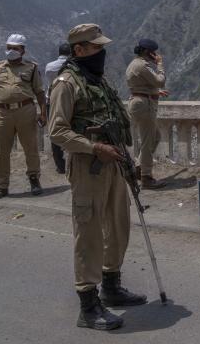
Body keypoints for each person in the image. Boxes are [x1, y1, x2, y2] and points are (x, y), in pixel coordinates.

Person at [48, 24, 146, 330]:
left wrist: (122, 155)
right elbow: (57, 131)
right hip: (88, 167)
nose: (101, 53)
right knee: (89, 233)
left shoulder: (97, 81)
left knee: (118, 225)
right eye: (95, 48)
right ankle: (88, 305)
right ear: (79, 50)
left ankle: (111, 286)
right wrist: (93, 147)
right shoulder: (66, 83)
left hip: (114, 162)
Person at [0, 33, 46, 199]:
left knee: (30, 148)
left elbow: (39, 92)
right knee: (2, 152)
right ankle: (2, 186)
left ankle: (34, 180)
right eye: (9, 48)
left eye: (15, 48)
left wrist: (43, 113)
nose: (11, 51)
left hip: (26, 111)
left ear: (23, 50)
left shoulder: (31, 67)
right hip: (2, 113)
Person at [124, 38, 169, 189]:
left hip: (139, 101)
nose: (154, 55)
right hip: (144, 105)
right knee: (148, 140)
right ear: (145, 52)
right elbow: (159, 80)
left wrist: (155, 92)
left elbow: (142, 86)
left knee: (154, 137)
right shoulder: (142, 66)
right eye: (152, 52)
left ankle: (138, 168)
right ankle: (147, 178)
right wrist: (160, 66)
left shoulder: (134, 64)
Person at [45, 42, 71, 174]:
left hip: (52, 101)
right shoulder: (73, 66)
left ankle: (60, 165)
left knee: (54, 132)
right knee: (73, 130)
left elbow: (49, 82)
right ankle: (73, 163)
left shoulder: (49, 67)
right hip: (70, 102)